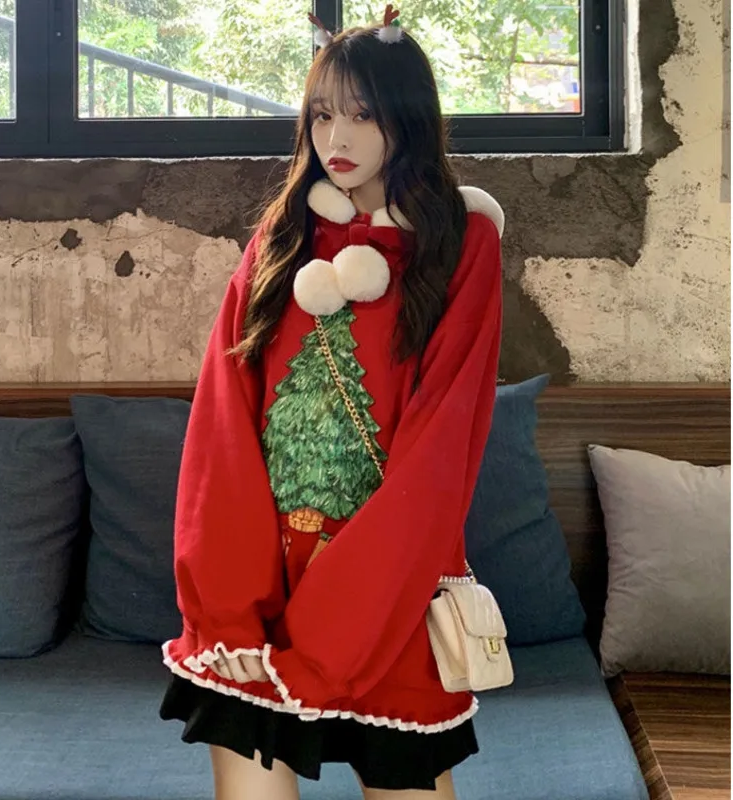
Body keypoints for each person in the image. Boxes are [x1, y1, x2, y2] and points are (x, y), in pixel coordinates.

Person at [159, 5, 505, 799]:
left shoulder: (461, 246)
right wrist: (229, 612)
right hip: (261, 597)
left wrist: (332, 631)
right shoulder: (280, 238)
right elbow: (221, 427)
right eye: (321, 114)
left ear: (406, 118)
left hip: (389, 596)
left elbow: (441, 449)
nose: (336, 138)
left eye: (362, 114)